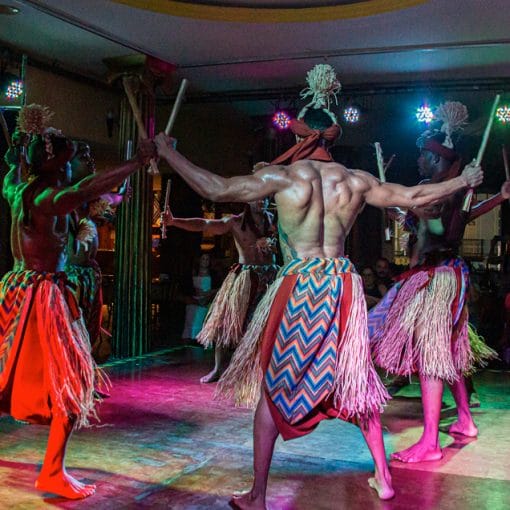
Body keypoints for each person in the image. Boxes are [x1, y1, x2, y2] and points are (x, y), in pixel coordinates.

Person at [155, 64, 482, 507]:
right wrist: (464, 181)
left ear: (301, 137)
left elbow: (217, 187)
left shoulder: (284, 178)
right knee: (353, 380)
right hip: (343, 286)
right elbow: (413, 196)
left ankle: (258, 495)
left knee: (276, 385)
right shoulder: (356, 181)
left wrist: (168, 154)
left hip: (302, 287)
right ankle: (383, 478)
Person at [0, 104, 155, 499]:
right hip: (43, 297)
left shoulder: (18, 190)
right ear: (56, 168)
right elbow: (86, 190)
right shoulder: (49, 199)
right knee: (71, 384)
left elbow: (12, 173)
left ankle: (54, 469)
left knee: (13, 376)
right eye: (69, 162)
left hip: (16, 290)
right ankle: (51, 473)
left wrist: (17, 155)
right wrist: (135, 162)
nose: (73, 169)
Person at [369, 101, 507, 463]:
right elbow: (459, 218)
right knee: (448, 351)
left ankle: (430, 441)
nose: (418, 162)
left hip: (436, 275)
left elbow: (436, 227)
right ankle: (464, 420)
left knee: (432, 354)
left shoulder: (435, 187)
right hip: (450, 272)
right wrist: (500, 199)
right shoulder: (454, 189)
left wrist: (408, 209)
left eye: (421, 157)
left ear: (434, 160)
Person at [163, 194, 278, 383]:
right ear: (247, 199)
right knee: (225, 324)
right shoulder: (235, 221)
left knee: (267, 326)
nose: (262, 202)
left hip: (270, 278)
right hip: (245, 278)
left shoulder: (274, 221)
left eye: (265, 198)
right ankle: (217, 369)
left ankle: (262, 372)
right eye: (257, 198)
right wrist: (174, 221)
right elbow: (205, 224)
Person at [66, 140, 130, 363]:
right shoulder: (64, 197)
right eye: (83, 156)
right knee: (71, 331)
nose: (90, 160)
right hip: (70, 278)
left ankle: (85, 377)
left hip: (89, 275)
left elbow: (110, 198)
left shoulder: (89, 200)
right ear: (68, 165)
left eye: (90, 155)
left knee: (89, 331)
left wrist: (120, 194)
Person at [181, 252, 214, 342]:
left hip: (208, 299)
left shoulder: (213, 274)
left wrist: (208, 294)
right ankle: (190, 337)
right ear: (199, 260)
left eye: (207, 259)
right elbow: (188, 288)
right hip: (194, 299)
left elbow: (218, 288)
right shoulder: (193, 272)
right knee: (191, 309)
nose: (205, 261)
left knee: (205, 310)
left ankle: (202, 338)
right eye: (203, 259)